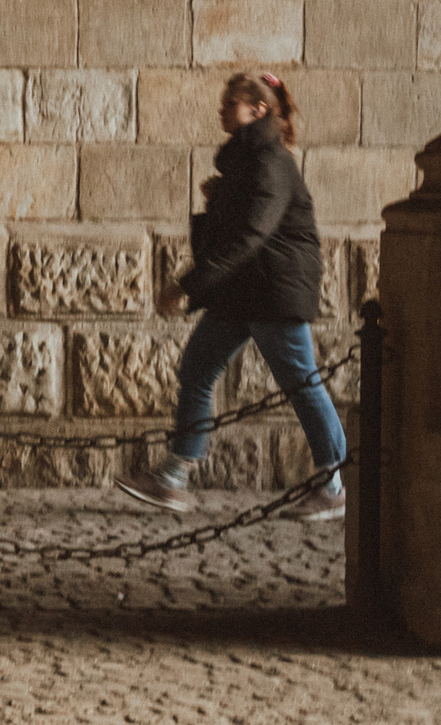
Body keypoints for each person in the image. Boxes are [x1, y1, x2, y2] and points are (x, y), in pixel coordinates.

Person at [120, 72, 347, 521]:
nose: (221, 112)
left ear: (257, 110)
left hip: (272, 293)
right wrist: (218, 199)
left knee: (301, 383)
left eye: (230, 104)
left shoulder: (271, 160)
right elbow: (237, 225)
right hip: (244, 292)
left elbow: (250, 235)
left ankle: (334, 485)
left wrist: (186, 285)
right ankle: (173, 478)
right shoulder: (246, 161)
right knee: (198, 367)